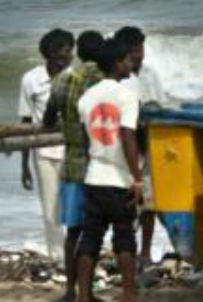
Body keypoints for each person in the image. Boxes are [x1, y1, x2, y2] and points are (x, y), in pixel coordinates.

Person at [76, 38, 143, 302]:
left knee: (90, 237)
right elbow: (127, 136)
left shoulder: (86, 98)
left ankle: (84, 295)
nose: (131, 64)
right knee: (124, 235)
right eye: (127, 60)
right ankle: (128, 293)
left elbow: (86, 139)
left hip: (94, 177)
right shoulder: (127, 97)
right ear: (117, 64)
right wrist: (137, 178)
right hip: (118, 178)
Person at [43, 30, 105, 302]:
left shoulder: (63, 80)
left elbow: (47, 120)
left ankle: (70, 290)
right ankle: (88, 293)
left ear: (78, 52)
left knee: (73, 233)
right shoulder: (106, 82)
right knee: (95, 233)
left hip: (73, 164)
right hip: (100, 166)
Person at [18, 29, 74, 261]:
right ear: (50, 53)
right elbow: (25, 121)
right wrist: (24, 165)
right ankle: (58, 257)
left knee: (73, 207)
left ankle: (76, 252)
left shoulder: (74, 78)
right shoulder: (31, 80)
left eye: (71, 52)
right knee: (51, 209)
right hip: (43, 153)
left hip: (72, 151)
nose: (69, 57)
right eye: (65, 52)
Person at [114, 25, 165, 266]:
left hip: (149, 144)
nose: (139, 54)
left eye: (141, 48)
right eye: (134, 50)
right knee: (126, 202)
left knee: (149, 201)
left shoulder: (151, 74)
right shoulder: (118, 79)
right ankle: (125, 250)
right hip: (127, 147)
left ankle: (145, 252)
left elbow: (160, 107)